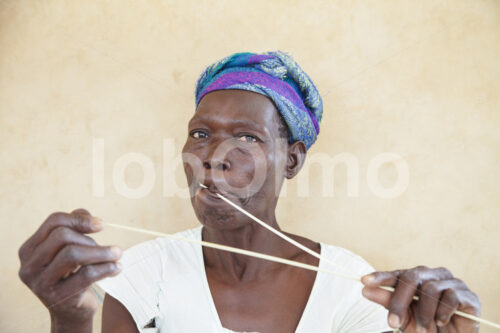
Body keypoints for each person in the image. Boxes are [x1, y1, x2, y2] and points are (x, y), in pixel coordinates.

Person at [18, 51, 481, 333]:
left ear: (292, 160)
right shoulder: (142, 275)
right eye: (200, 134)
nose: (215, 155)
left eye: (248, 138)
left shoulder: (353, 288)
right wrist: (70, 321)